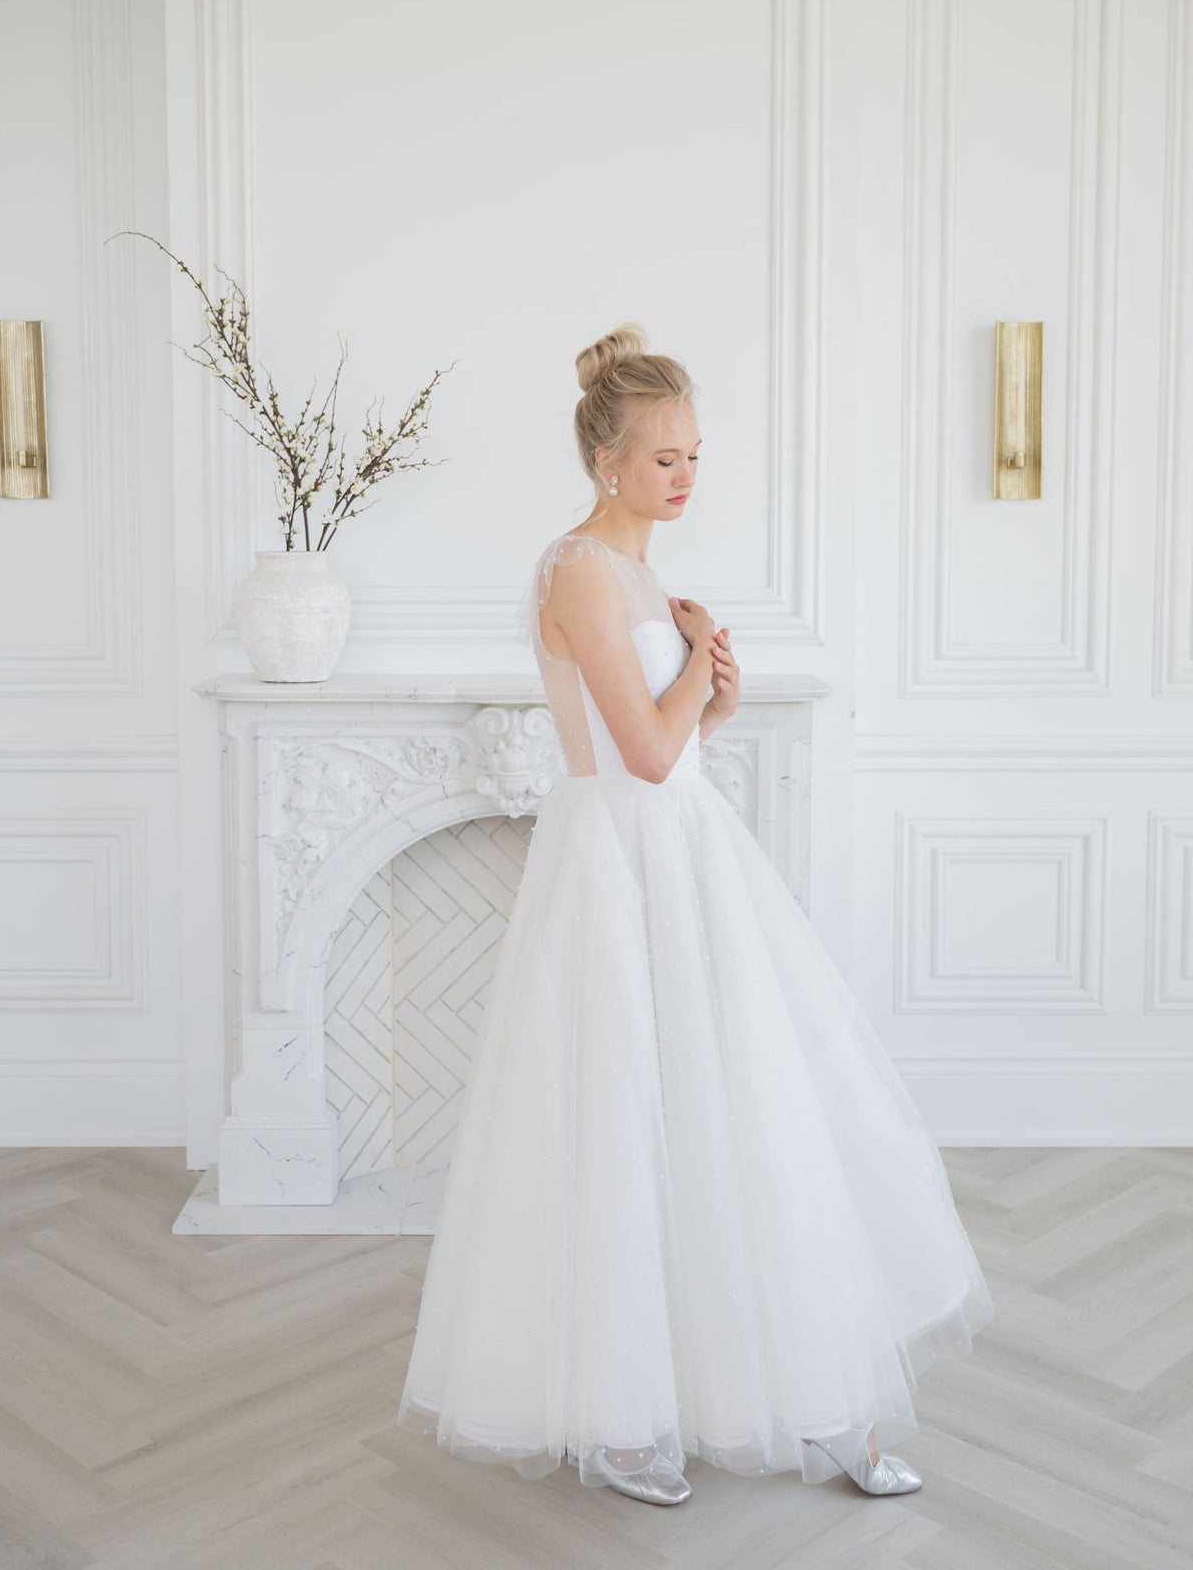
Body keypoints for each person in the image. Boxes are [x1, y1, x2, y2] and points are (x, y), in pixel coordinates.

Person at [397, 324, 994, 1506]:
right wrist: (700, 664)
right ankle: (627, 1419)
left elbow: (674, 751)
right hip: (620, 864)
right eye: (663, 456)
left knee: (755, 1103)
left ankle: (818, 1393)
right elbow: (641, 752)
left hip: (682, 849)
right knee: (630, 1121)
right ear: (606, 460)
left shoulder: (639, 581)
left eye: (695, 455)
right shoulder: (578, 569)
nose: (684, 476)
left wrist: (712, 698)